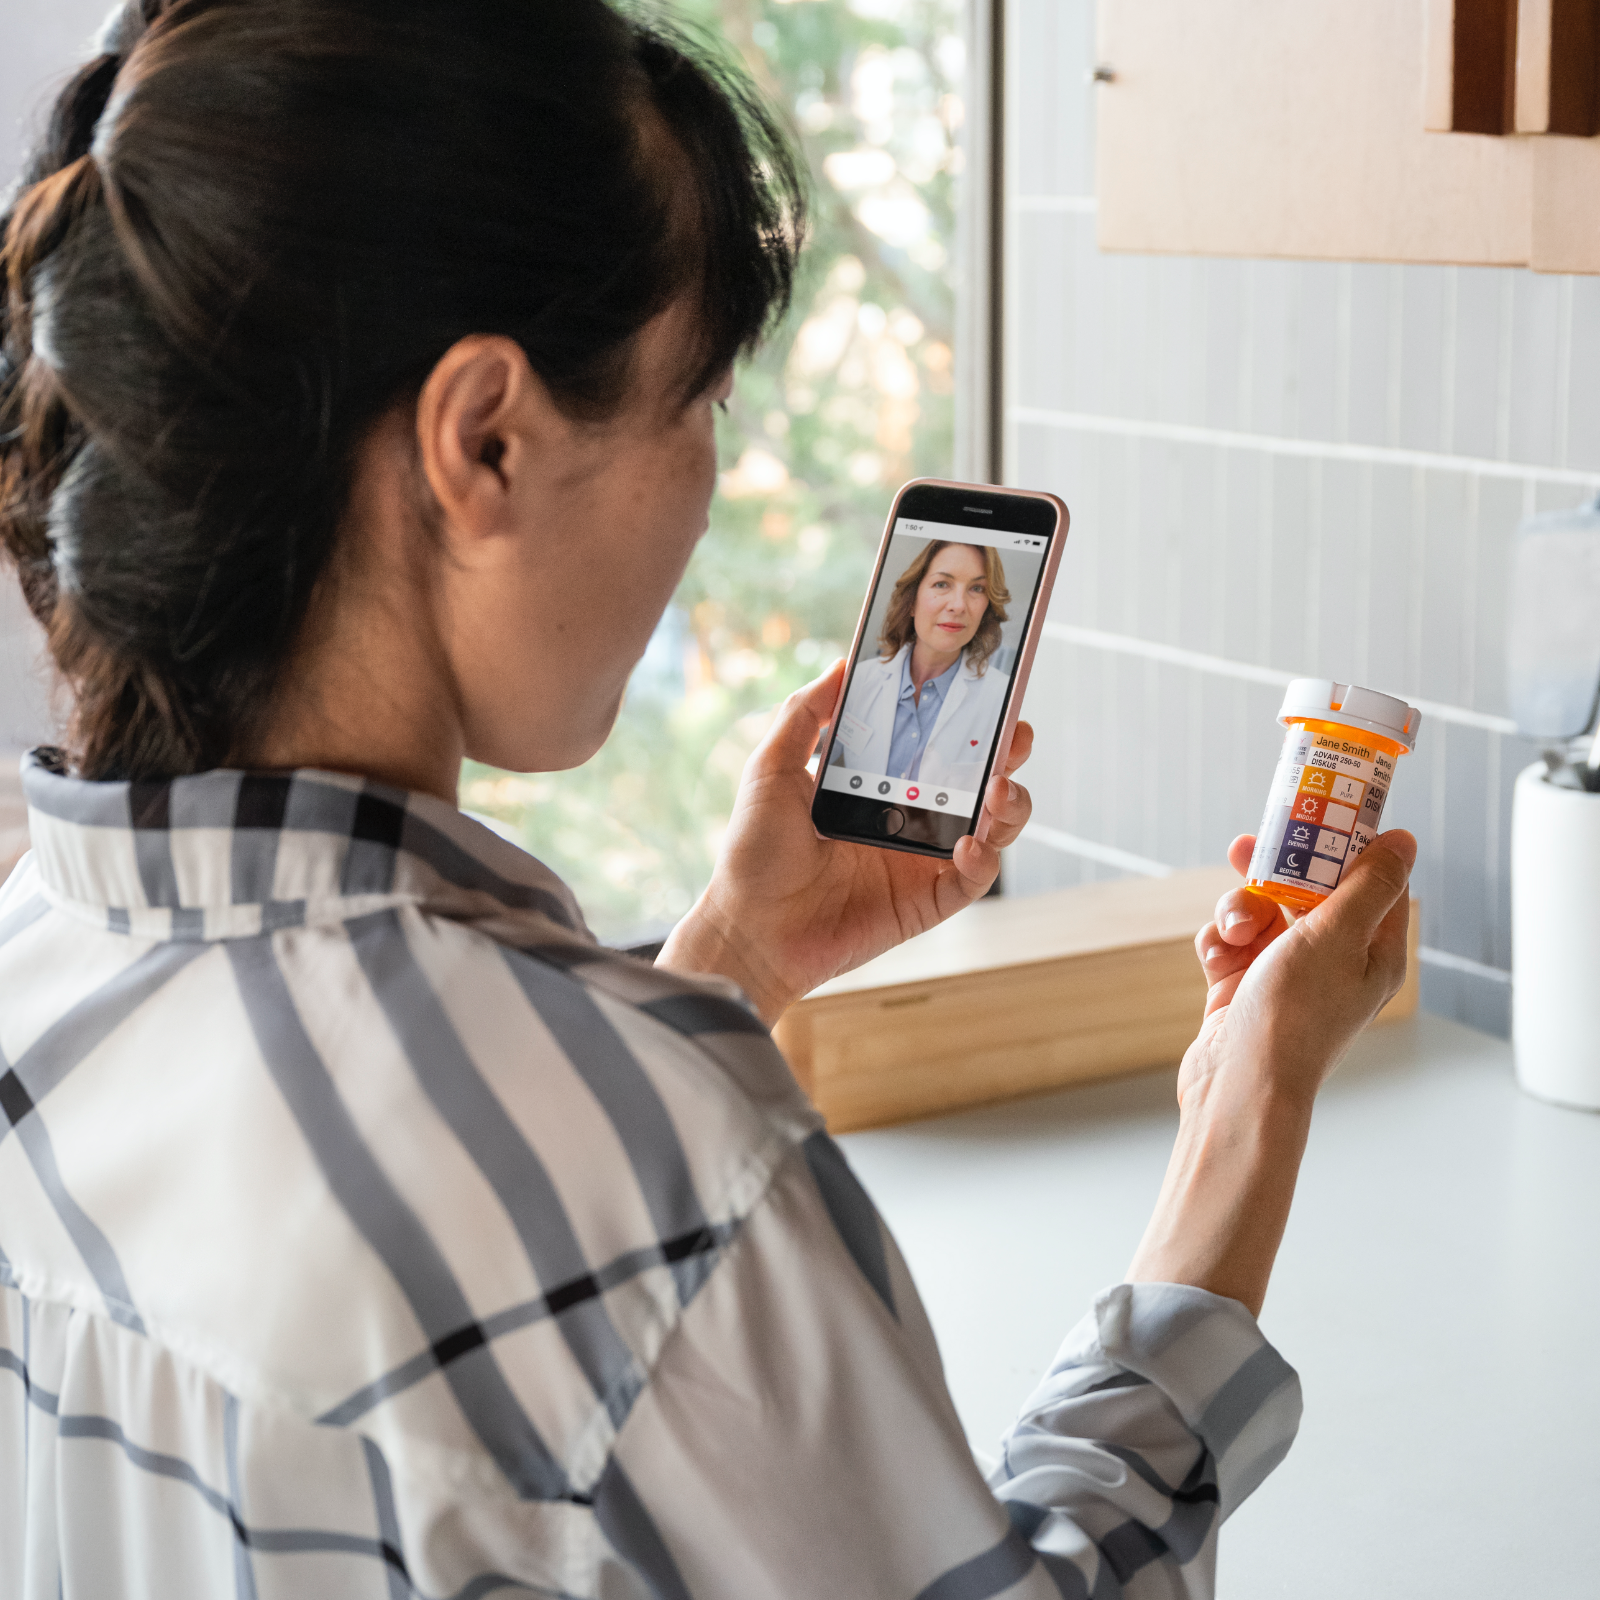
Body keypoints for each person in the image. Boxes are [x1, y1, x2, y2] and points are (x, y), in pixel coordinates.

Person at [0, 3, 1416, 1596]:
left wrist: (730, 952)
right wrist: (1247, 1119)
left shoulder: (39, 963)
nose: (707, 477)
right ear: (488, 438)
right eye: (697, 401)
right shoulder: (655, 1157)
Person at [829, 538, 1012, 795]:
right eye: (941, 584)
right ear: (912, 601)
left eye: (977, 589)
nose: (958, 605)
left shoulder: (1002, 698)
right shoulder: (859, 680)